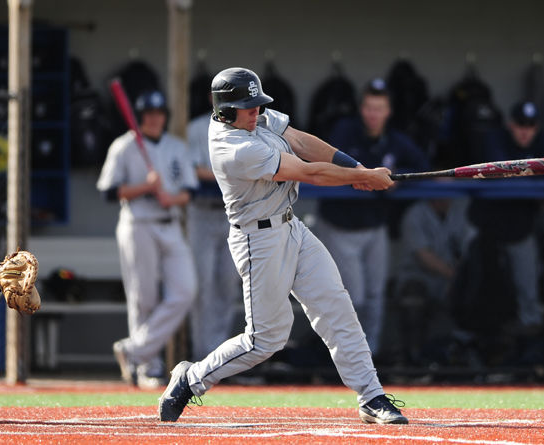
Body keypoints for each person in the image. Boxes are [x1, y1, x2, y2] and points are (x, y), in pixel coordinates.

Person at [158, 67, 408, 425]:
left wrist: (358, 168)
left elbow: (303, 142)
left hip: (292, 227)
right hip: (257, 240)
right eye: (248, 106)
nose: (256, 111)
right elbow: (309, 172)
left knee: (337, 307)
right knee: (266, 339)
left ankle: (371, 396)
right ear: (225, 111)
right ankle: (191, 377)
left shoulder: (255, 119)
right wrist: (362, 178)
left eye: (257, 104)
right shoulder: (234, 148)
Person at [315, 78, 429, 356]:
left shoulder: (394, 140)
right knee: (354, 296)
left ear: (388, 111)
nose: (373, 114)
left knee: (375, 296)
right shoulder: (344, 131)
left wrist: (399, 179)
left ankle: (371, 356)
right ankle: (348, 357)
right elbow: (327, 165)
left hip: (374, 226)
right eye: (368, 107)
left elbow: (421, 165)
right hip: (340, 226)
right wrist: (361, 176)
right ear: (361, 108)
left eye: (379, 108)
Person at [97, 89, 198, 389]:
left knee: (185, 290)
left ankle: (133, 350)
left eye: (159, 113)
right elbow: (108, 192)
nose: (154, 119)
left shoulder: (176, 146)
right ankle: (147, 367)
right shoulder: (124, 146)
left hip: (169, 224)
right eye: (149, 114)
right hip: (137, 223)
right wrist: (145, 186)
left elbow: (190, 191)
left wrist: (171, 198)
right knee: (144, 297)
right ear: (140, 117)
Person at [467, 101, 544, 335]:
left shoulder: (543, 140)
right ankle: (471, 339)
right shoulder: (495, 138)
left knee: (527, 290)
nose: (525, 131)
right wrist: (534, 179)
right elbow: (500, 173)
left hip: (521, 227)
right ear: (511, 124)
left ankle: (527, 347)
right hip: (484, 229)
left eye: (530, 126)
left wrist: (521, 179)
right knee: (477, 285)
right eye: (520, 125)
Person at [394, 195, 475, 365]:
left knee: (476, 291)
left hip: (452, 277)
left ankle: (463, 356)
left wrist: (460, 279)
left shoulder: (461, 208)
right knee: (413, 297)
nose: (444, 197)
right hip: (419, 275)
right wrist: (455, 277)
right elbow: (423, 256)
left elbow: (471, 249)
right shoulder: (415, 213)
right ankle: (412, 359)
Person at [186, 109, 241, 360]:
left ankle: (220, 355)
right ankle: (202, 354)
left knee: (229, 284)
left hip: (233, 213)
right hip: (202, 211)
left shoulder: (245, 125)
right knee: (203, 285)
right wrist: (232, 176)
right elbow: (194, 170)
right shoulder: (197, 127)